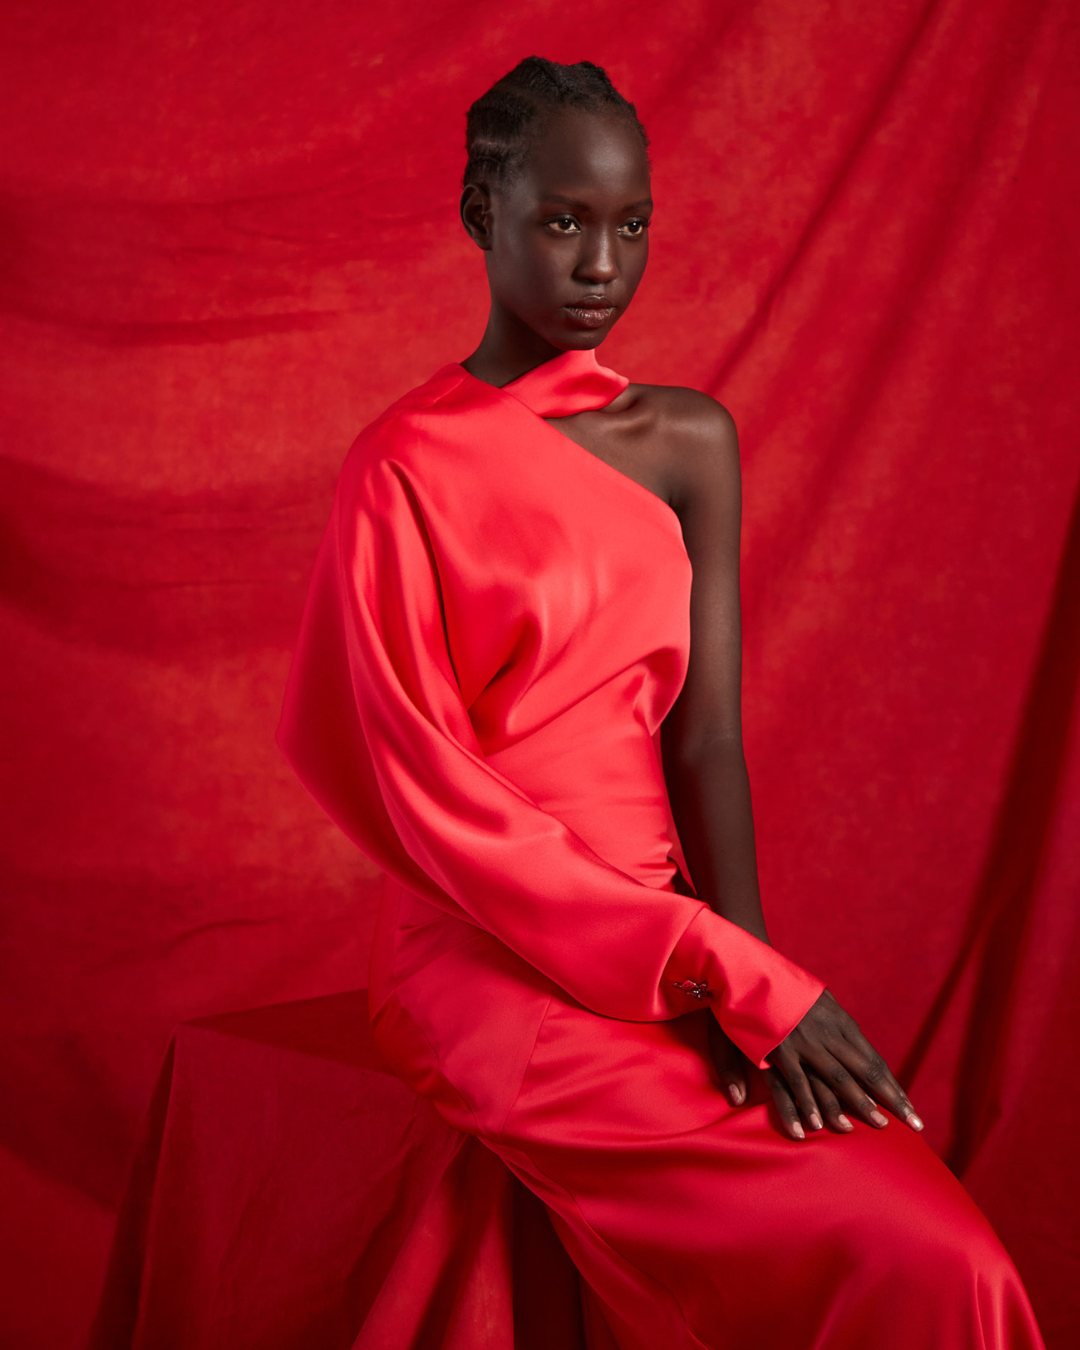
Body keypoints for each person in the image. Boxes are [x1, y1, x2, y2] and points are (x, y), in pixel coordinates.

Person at [278, 56, 1044, 1350]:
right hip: (491, 958)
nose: (601, 263)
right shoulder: (397, 469)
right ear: (482, 216)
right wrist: (713, 963)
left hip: (679, 944)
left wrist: (756, 987)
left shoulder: (690, 441)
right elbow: (434, 792)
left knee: (947, 1255)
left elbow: (707, 739)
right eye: (563, 220)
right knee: (905, 1250)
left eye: (630, 224)